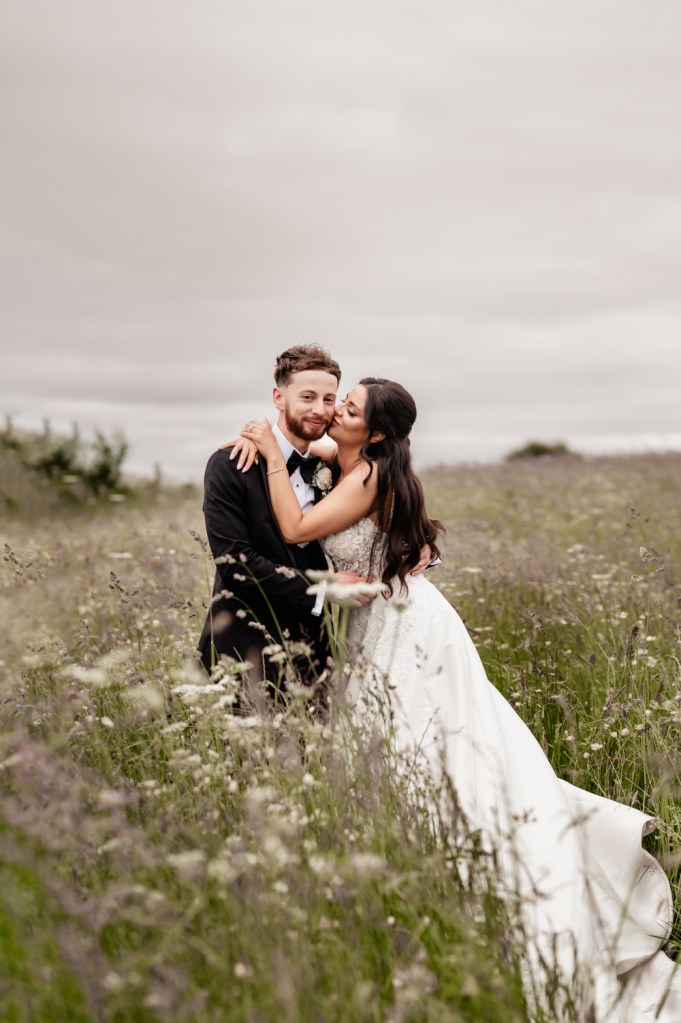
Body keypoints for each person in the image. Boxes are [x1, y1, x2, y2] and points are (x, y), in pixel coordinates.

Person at [237, 377, 681, 1021]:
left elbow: (297, 523)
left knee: (428, 750)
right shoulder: (350, 460)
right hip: (373, 618)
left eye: (350, 407)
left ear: (379, 432)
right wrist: (258, 438)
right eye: (338, 401)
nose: (336, 411)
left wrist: (273, 459)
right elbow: (313, 459)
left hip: (403, 624)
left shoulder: (369, 477)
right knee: (392, 751)